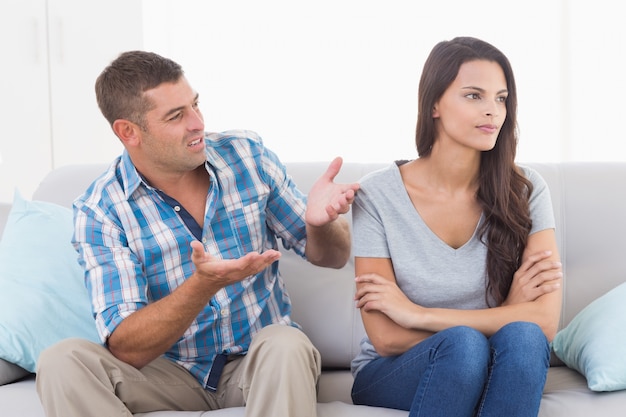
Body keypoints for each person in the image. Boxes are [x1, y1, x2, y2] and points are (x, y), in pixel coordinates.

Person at [35, 50, 360, 417]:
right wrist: (202, 285)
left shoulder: (247, 156)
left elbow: (333, 257)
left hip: (259, 364)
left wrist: (320, 223)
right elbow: (127, 348)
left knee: (287, 344)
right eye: (176, 116)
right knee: (62, 361)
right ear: (129, 132)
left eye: (195, 104)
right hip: (168, 375)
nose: (197, 122)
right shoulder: (101, 209)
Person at [350, 37, 563, 417]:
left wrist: (418, 314)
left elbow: (543, 322)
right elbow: (386, 337)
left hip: (495, 358)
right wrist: (509, 311)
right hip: (395, 372)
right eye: (473, 96)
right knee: (465, 347)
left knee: (525, 338)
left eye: (501, 98)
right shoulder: (376, 195)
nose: (492, 111)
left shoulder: (526, 189)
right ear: (434, 103)